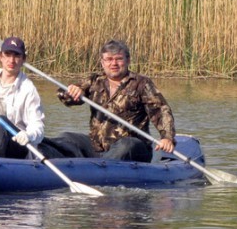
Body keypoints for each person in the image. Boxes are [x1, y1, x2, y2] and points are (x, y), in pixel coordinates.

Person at [44, 39, 176, 162]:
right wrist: (72, 91)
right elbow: (66, 98)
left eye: (119, 59)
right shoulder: (95, 81)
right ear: (102, 62)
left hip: (133, 147)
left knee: (127, 145)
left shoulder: (141, 83)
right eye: (109, 59)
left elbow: (161, 111)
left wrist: (167, 138)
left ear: (128, 60)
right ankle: (40, 157)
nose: (114, 64)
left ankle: (98, 168)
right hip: (97, 147)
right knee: (67, 137)